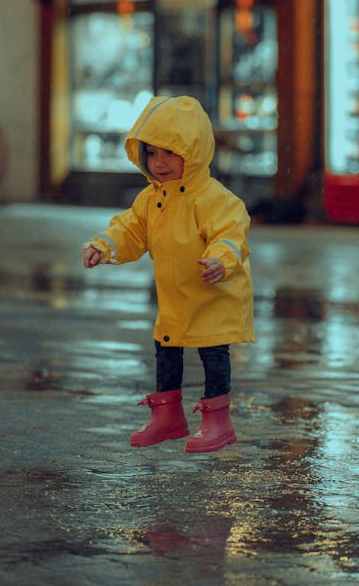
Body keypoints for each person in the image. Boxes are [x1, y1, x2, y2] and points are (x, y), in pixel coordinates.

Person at [83, 95, 254, 453]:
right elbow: (131, 229)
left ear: (192, 152)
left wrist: (222, 259)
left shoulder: (213, 198)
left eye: (169, 153)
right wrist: (105, 245)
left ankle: (218, 420)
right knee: (166, 349)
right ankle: (167, 416)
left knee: (212, 352)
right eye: (151, 153)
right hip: (174, 297)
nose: (159, 163)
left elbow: (230, 234)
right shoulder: (150, 199)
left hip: (212, 293)